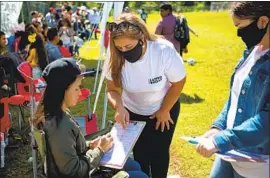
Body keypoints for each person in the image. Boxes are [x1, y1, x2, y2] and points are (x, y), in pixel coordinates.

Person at [33, 58, 149, 178]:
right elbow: (73, 172)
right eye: (77, 88)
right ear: (62, 91)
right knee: (139, 175)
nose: (79, 92)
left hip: (82, 167)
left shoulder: (54, 115)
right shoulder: (59, 126)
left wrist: (89, 145)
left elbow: (67, 149)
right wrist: (100, 150)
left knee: (133, 166)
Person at [104, 13, 186, 178]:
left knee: (160, 152)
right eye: (119, 48)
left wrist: (164, 110)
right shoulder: (114, 57)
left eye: (128, 47)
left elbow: (179, 83)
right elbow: (112, 89)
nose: (124, 52)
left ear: (141, 37)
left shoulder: (163, 50)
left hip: (164, 108)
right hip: (133, 111)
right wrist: (119, 107)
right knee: (141, 154)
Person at [196, 2, 269, 178]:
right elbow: (235, 97)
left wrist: (223, 140)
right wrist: (218, 127)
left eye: (240, 27)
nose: (238, 34)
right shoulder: (252, 51)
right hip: (230, 151)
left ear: (263, 22)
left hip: (257, 161)